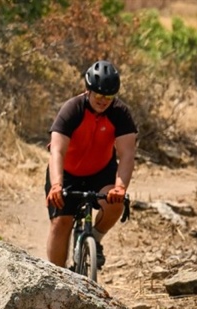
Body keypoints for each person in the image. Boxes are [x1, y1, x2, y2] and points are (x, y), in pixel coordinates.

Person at [44, 59, 137, 268]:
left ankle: (95, 239)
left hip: (101, 172)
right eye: (99, 95)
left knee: (116, 203)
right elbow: (57, 150)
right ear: (88, 90)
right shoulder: (72, 109)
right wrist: (57, 184)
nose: (103, 101)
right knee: (61, 223)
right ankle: (58, 277)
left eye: (109, 96)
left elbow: (127, 154)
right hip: (67, 174)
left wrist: (120, 187)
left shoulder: (120, 113)